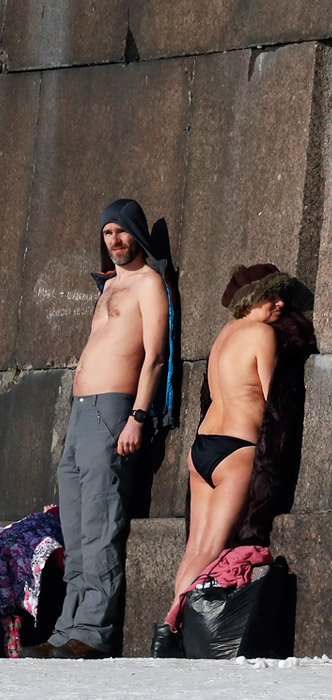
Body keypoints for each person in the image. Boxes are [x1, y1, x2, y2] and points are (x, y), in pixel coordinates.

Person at [22, 199, 172, 659]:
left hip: (114, 411)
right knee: (74, 528)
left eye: (121, 231)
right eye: (107, 233)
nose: (114, 240)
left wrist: (138, 417)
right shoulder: (108, 286)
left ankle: (93, 632)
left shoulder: (149, 283)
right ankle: (66, 628)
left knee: (100, 525)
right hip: (81, 415)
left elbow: (156, 357)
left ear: (136, 234)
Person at [151, 264, 295, 656]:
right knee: (211, 549)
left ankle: (170, 627)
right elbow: (272, 397)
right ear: (253, 299)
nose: (280, 304)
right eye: (272, 297)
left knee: (195, 547)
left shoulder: (224, 334)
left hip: (203, 449)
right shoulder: (262, 334)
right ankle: (170, 626)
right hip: (236, 448)